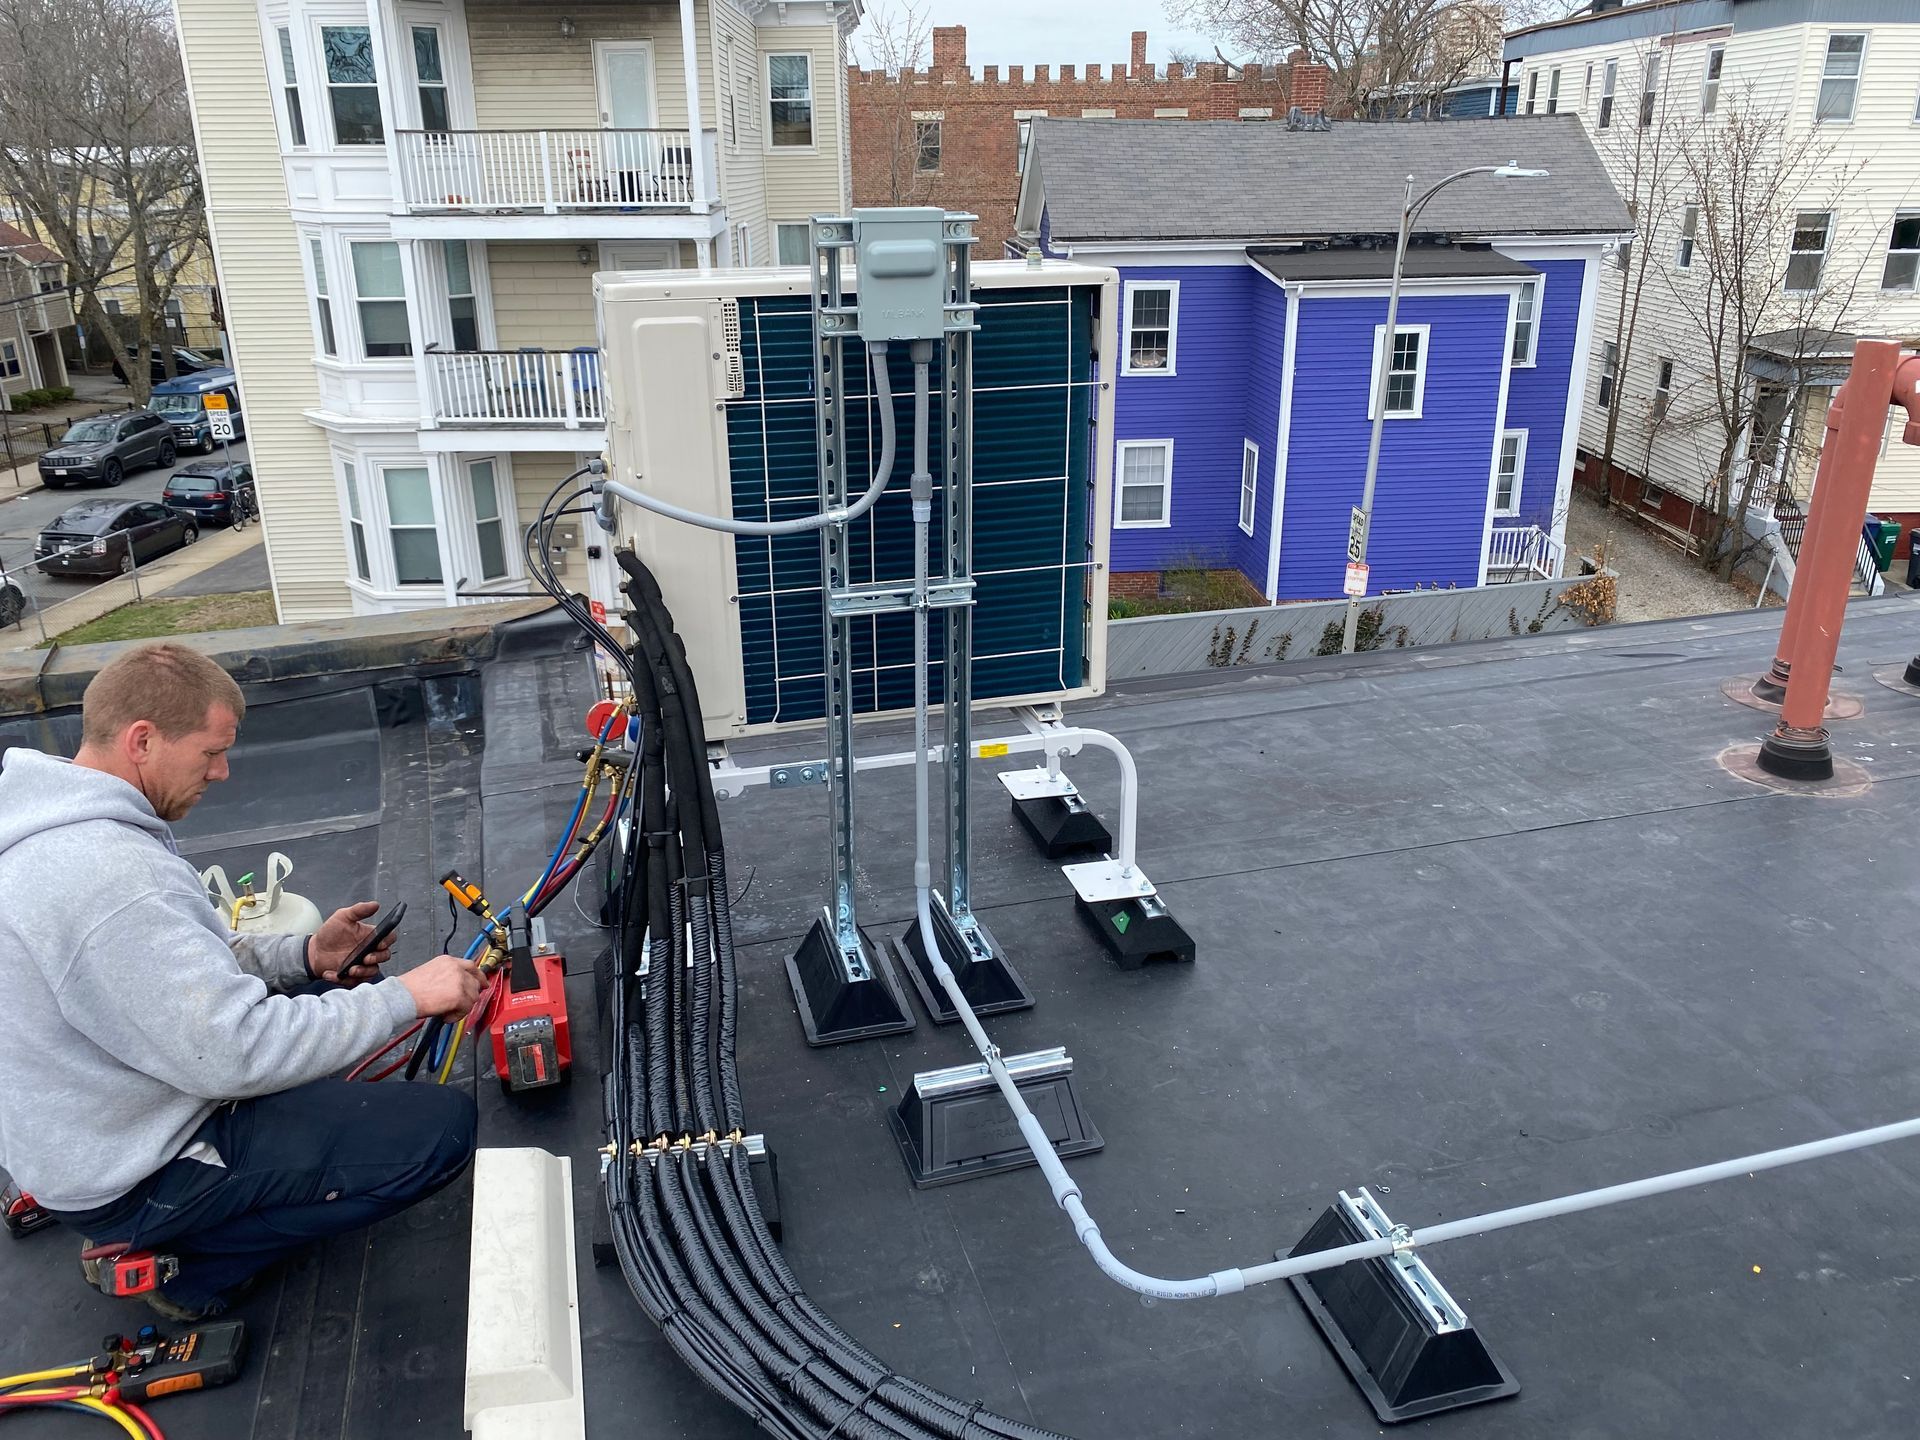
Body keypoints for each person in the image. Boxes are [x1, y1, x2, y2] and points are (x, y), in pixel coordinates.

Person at [0, 642, 484, 1320]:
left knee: (324, 996)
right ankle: (187, 1265)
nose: (223, 772)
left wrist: (307, 956)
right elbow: (232, 1054)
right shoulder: (106, 878)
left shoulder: (66, 821)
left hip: (105, 1112)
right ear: (143, 740)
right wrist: (407, 996)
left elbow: (192, 963)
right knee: (440, 1133)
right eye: (209, 753)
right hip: (133, 1170)